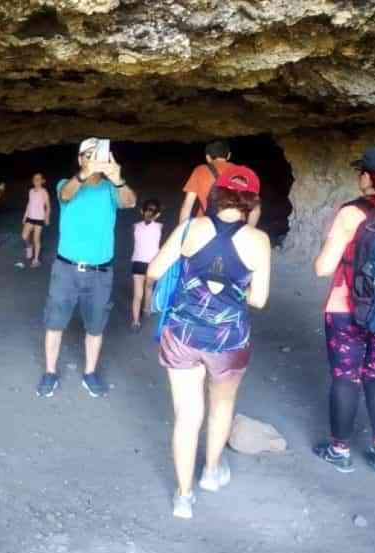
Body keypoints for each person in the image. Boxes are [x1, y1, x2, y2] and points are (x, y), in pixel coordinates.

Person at [147, 165, 271, 519]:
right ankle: (212, 473)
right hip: (229, 339)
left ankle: (183, 498)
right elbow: (259, 299)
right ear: (251, 202)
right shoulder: (257, 240)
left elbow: (154, 270)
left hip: (183, 335)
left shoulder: (192, 227)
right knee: (221, 406)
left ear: (216, 194)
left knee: (187, 416)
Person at [37, 138, 137, 398]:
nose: (94, 159)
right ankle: (50, 372)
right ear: (80, 159)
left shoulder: (110, 189)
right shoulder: (66, 184)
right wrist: (84, 173)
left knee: (96, 327)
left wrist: (117, 178)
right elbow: (65, 194)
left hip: (100, 272)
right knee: (55, 322)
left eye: (99, 155)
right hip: (66, 269)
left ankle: (89, 373)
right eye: (89, 155)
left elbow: (130, 202)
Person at [313, 144, 375, 473]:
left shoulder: (351, 213)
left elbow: (323, 268)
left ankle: (339, 450)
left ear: (366, 178)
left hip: (346, 307)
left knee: (346, 377)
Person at [178, 140, 261, 228]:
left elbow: (187, 205)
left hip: (206, 223)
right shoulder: (244, 173)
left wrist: (181, 232)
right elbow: (255, 210)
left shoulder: (200, 170)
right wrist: (249, 230)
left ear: (208, 157)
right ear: (229, 155)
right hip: (236, 226)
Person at [131, 199, 162, 332]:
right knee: (149, 288)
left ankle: (135, 321)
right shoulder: (160, 226)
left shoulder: (135, 226)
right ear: (158, 215)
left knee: (137, 294)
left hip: (137, 262)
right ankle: (147, 310)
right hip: (152, 263)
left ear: (141, 211)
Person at [21, 173, 51, 268]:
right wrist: (25, 216)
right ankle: (29, 247)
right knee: (24, 236)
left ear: (42, 181)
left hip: (39, 218)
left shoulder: (44, 191)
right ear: (33, 181)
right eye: (35, 179)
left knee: (36, 239)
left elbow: (48, 206)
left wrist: (47, 217)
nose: (36, 181)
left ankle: (36, 260)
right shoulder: (31, 191)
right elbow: (29, 204)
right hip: (30, 217)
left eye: (38, 179)